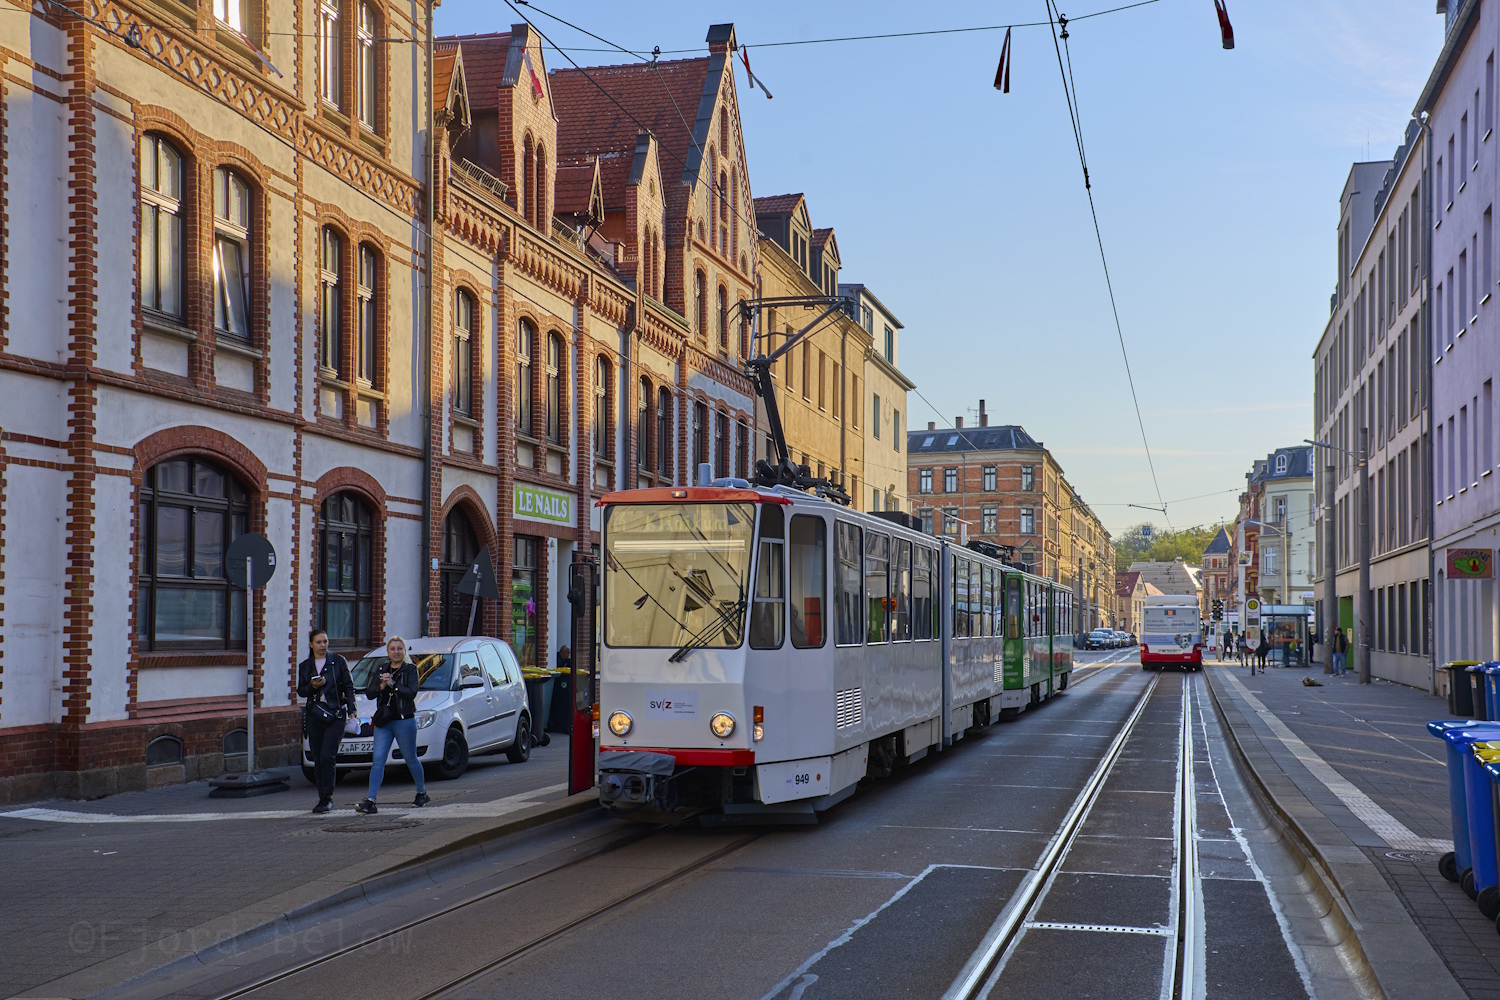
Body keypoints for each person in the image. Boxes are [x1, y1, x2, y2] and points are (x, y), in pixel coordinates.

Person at [357, 636, 428, 814]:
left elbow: (411, 692)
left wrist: (393, 684)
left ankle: (421, 792)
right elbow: (370, 693)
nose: (396, 652)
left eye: (399, 649)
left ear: (404, 651)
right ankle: (371, 800)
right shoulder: (382, 668)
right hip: (384, 722)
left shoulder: (410, 669)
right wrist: (381, 685)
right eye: (392, 649)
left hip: (404, 720)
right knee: (378, 761)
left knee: (410, 758)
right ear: (388, 652)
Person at [297, 628, 356, 814]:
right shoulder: (305, 666)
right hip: (315, 715)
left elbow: (348, 686)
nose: (323, 645)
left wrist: (352, 710)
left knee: (327, 756)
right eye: (319, 642)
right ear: (311, 644)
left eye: (325, 641)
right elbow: (301, 691)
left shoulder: (338, 661)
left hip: (336, 714)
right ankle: (322, 797)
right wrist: (313, 687)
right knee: (317, 758)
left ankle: (327, 797)